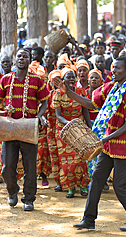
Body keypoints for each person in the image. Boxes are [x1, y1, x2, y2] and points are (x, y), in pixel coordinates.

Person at [56, 56, 126, 231]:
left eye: (118, 68)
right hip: (109, 145)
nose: (113, 71)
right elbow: (91, 104)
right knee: (97, 179)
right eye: (113, 68)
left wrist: (106, 138)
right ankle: (89, 219)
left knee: (120, 185)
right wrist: (68, 91)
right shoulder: (112, 87)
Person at [0, 48, 50, 211]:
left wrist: (38, 116)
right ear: (15, 60)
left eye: (25, 56)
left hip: (28, 127)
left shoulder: (37, 80)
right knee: (7, 166)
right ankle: (12, 192)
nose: (22, 58)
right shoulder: (6, 78)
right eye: (19, 56)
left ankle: (29, 199)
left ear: (29, 60)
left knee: (30, 167)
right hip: (9, 127)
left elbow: (44, 103)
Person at [52, 68, 91, 198]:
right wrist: (69, 123)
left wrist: (90, 128)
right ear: (63, 79)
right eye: (68, 77)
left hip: (79, 128)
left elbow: (85, 111)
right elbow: (58, 115)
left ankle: (83, 185)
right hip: (64, 130)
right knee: (67, 161)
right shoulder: (58, 94)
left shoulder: (81, 92)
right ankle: (71, 187)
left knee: (81, 159)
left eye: (73, 77)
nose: (71, 80)